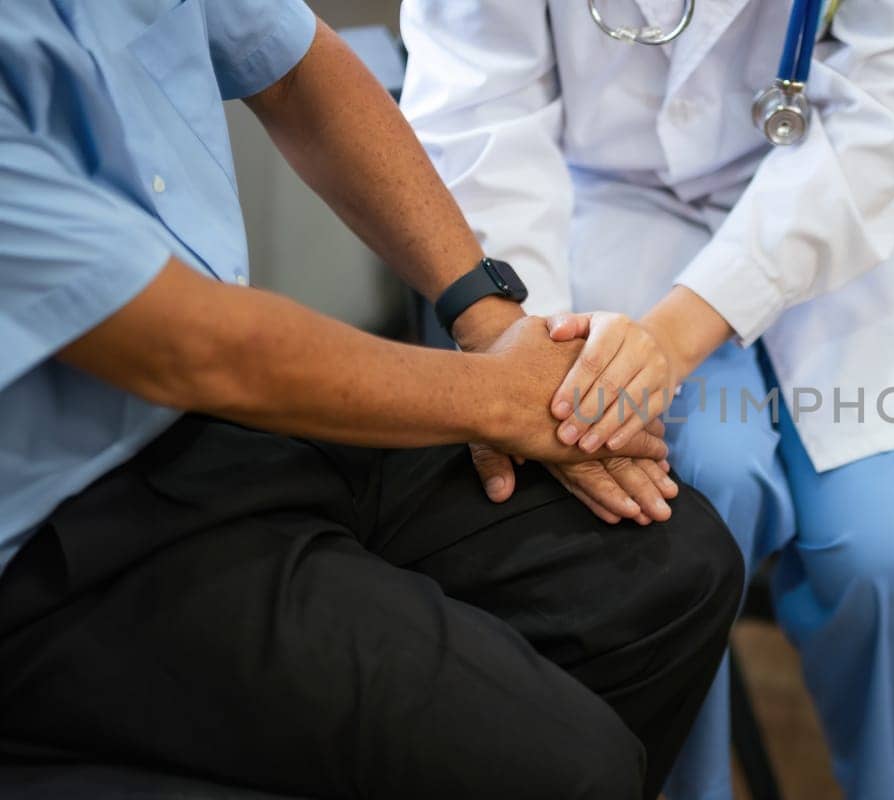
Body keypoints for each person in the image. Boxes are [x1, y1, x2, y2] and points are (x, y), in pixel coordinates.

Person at [0, 2, 744, 798]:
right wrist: (502, 397)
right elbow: (191, 348)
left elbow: (294, 70)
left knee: (678, 570)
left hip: (220, 427)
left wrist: (491, 320)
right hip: (57, 532)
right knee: (570, 769)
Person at [400, 0, 894, 796]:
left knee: (883, 558)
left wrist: (672, 337)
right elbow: (477, 102)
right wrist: (519, 349)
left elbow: (887, 109)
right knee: (690, 491)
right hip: (608, 192)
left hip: (858, 191)